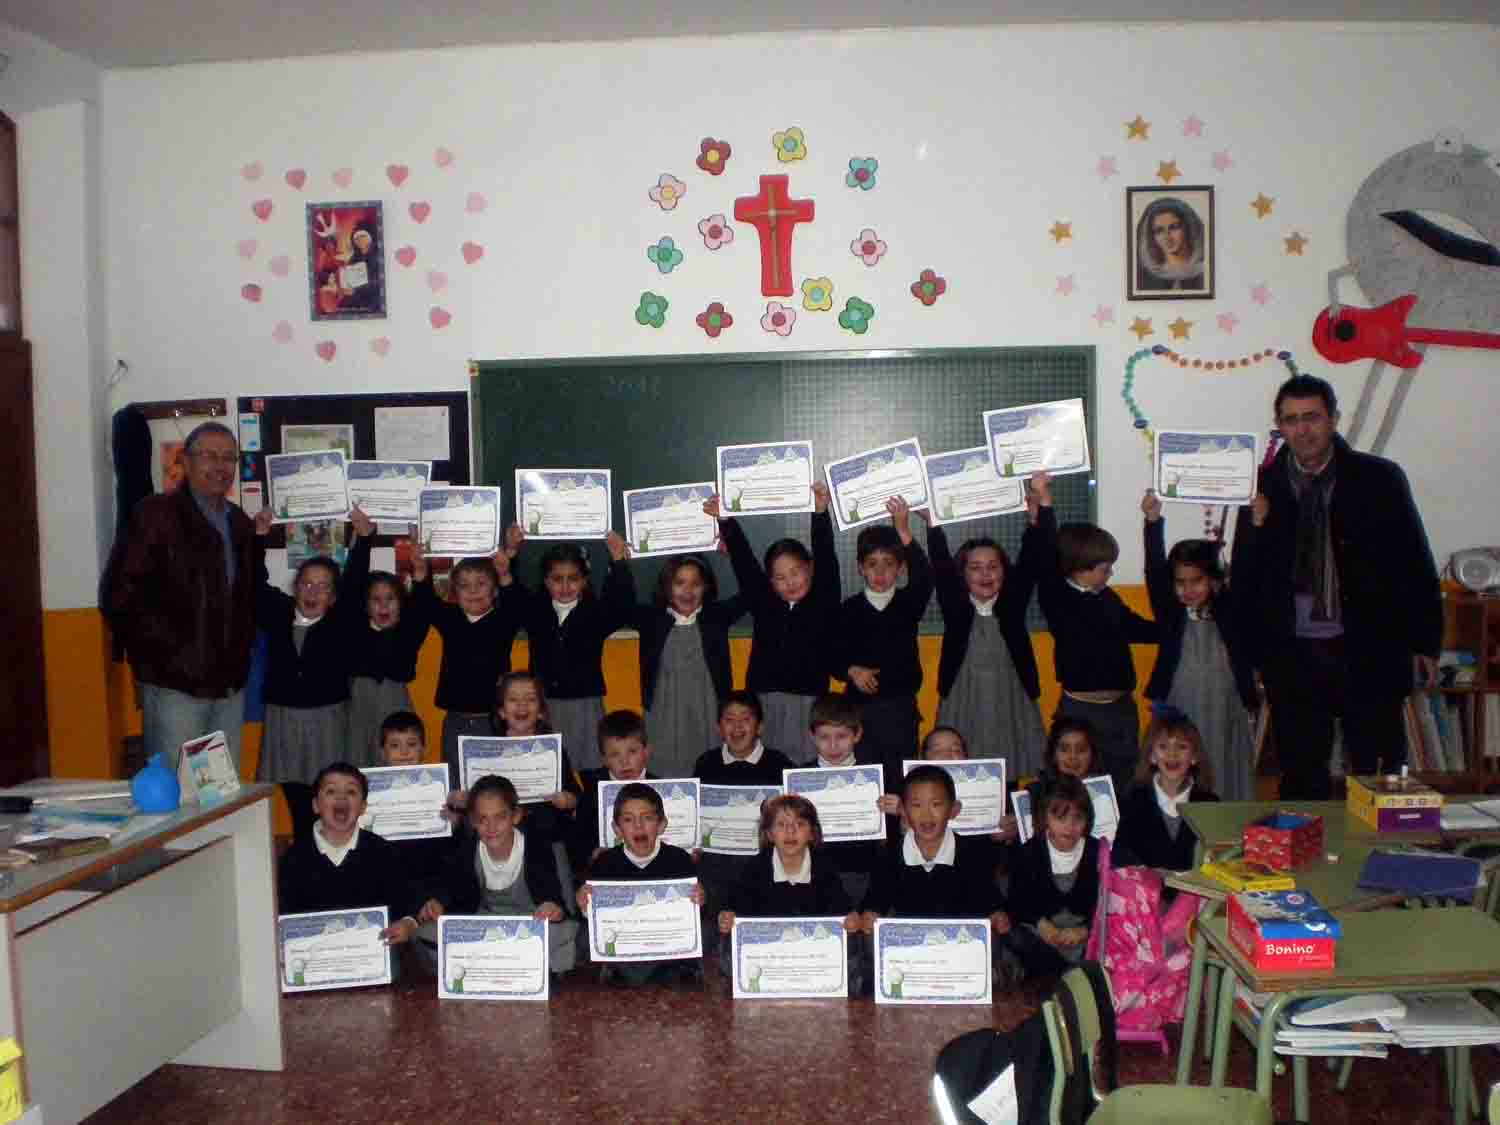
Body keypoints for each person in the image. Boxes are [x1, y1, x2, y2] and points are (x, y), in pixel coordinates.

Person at [1233, 374, 1442, 798]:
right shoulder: (1260, 485)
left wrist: (1426, 644)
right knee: (1301, 776)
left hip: (1370, 648)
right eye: (1291, 420)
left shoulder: (1379, 478)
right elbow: (1246, 576)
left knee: (1378, 773)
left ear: (1333, 420)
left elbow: (1414, 561)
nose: (1302, 429)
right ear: (1280, 425)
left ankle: (1385, 860)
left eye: (1312, 417)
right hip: (1292, 656)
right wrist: (1251, 656)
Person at [103, 421, 261, 768]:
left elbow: (249, 596)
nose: (220, 467)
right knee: (176, 793)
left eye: (229, 458)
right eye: (209, 456)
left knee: (219, 795)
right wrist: (170, 654)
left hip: (228, 686)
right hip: (175, 687)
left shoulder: (239, 524)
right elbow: (120, 597)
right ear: (185, 463)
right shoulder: (155, 515)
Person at [1031, 470, 1158, 794]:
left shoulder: (1107, 596)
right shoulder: (1059, 598)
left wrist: (1173, 629)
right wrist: (1045, 502)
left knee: (1123, 783)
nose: (1111, 572)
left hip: (1120, 711)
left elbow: (1135, 627)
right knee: (1074, 788)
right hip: (1080, 711)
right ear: (1080, 567)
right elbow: (1046, 555)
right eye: (1104, 568)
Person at [1142, 492, 1258, 800]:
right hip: (1179, 708)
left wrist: (1250, 517)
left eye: (1197, 581)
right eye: (1180, 582)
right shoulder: (1171, 615)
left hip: (1224, 712)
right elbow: (1154, 572)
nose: (1188, 589)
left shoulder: (1230, 613)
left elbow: (1247, 567)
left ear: (1215, 581)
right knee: (1178, 772)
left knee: (1221, 769)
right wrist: (1152, 522)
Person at [715, 481, 840, 760]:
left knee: (803, 767)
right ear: (770, 581)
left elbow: (827, 557)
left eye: (796, 572)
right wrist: (725, 519)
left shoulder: (823, 599)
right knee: (767, 767)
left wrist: (820, 513)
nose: (790, 582)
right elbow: (745, 563)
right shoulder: (764, 602)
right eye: (780, 578)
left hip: (809, 700)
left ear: (810, 569)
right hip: (765, 698)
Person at [252, 507, 371, 787]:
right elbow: (254, 583)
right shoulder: (278, 613)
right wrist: (259, 536)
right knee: (291, 789)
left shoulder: (340, 621)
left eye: (323, 586)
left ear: (333, 596)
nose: (313, 592)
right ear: (295, 587)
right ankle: (303, 832)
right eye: (306, 584)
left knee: (327, 788)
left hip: (327, 720)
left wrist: (364, 537)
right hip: (283, 717)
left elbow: (355, 583)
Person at [417, 775, 577, 976]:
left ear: (516, 816)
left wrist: (552, 908)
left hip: (527, 925)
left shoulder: (536, 846)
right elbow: (453, 888)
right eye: (482, 819)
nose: (491, 828)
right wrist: (438, 903)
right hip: (485, 924)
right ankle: (508, 962)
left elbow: (554, 899)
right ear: (472, 821)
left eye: (500, 817)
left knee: (562, 935)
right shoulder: (467, 848)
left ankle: (491, 962)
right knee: (427, 931)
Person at [927, 516, 1046, 774]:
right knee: (959, 773)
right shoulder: (956, 608)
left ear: (1005, 571)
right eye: (976, 567)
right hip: (963, 699)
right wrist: (932, 524)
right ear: (963, 573)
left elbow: (1030, 560)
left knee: (1009, 765)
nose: (985, 574)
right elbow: (941, 566)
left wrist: (1037, 520)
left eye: (993, 566)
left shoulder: (1011, 606)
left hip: (1010, 699)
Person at [829, 497, 934, 782]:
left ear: (901, 568)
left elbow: (924, 576)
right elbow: (831, 655)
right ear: (861, 567)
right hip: (858, 714)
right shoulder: (848, 609)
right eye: (872, 564)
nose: (880, 572)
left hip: (901, 710)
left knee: (900, 782)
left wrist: (903, 529)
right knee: (864, 781)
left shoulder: (908, 604)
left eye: (889, 564)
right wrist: (852, 670)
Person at [409, 530, 526, 787]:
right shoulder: (450, 618)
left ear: (495, 590)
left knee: (494, 784)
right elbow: (425, 603)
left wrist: (506, 573)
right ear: (454, 591)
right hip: (456, 719)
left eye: (481, 584)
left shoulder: (503, 620)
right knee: (456, 785)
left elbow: (517, 603)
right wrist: (420, 568)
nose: (473, 591)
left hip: (493, 719)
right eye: (464, 585)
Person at [691, 692, 798, 952]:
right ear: (719, 727)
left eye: (745, 719)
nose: (737, 727)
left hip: (762, 858)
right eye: (729, 720)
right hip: (717, 861)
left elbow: (796, 810)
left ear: (759, 726)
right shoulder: (706, 763)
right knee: (711, 933)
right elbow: (693, 813)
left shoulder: (779, 764)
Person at [626, 550, 749, 778]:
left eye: (696, 584)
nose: (688, 591)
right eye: (680, 583)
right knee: (667, 782)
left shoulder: (716, 617)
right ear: (666, 586)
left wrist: (732, 551)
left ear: (707, 587)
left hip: (707, 715)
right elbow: (618, 602)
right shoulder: (651, 619)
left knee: (710, 776)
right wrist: (619, 562)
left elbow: (753, 591)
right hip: (663, 720)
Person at [519, 537, 635, 771]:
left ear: (584, 580)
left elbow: (621, 604)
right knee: (546, 771)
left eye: (573, 579)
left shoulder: (595, 613)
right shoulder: (534, 610)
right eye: (556, 579)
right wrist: (510, 558)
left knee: (592, 770)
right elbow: (510, 594)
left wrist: (619, 562)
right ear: (545, 581)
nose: (564, 586)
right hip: (544, 705)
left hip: (585, 705)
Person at [275, 762, 421, 948]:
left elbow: (405, 903)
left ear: (363, 807)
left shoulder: (383, 852)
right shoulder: (293, 859)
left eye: (351, 792)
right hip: (315, 961)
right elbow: (286, 918)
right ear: (315, 805)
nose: (341, 799)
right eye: (331, 792)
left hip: (373, 958)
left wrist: (408, 923)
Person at [718, 794, 862, 983]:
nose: (790, 831)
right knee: (728, 953)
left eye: (800, 824)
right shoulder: (753, 868)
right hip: (769, 954)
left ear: (812, 833)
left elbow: (842, 910)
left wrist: (851, 921)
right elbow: (735, 909)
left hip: (813, 953)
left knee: (852, 950)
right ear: (769, 834)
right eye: (781, 825)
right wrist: (727, 919)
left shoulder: (825, 868)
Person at [577, 782, 706, 987]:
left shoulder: (679, 860)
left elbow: (694, 914)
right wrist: (585, 905)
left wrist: (699, 900)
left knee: (705, 932)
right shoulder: (604, 863)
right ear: (617, 829)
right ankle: (631, 971)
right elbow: (593, 919)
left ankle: (655, 972)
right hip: (625, 942)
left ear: (661, 825)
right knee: (583, 938)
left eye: (647, 818)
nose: (638, 826)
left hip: (663, 940)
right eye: (628, 820)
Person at [345, 533, 433, 769]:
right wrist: (363, 538)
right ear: (365, 606)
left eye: (390, 599)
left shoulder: (408, 632)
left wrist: (421, 571)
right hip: (358, 707)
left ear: (401, 604)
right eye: (376, 600)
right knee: (358, 762)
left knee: (397, 766)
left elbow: (423, 605)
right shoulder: (354, 630)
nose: (383, 606)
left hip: (395, 705)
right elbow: (352, 584)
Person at [1003, 774, 1101, 979]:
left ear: (1088, 819)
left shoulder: (1098, 851)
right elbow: (1016, 902)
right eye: (1060, 818)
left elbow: (1108, 903)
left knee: (1113, 936)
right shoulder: (1029, 851)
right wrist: (1042, 925)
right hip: (1044, 936)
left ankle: (1068, 973)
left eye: (1077, 818)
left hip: (1085, 937)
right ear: (1045, 817)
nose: (1069, 826)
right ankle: (1069, 974)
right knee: (1014, 937)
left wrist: (1085, 930)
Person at [804, 693, 890, 907]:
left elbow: (889, 841)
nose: (833, 746)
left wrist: (894, 812)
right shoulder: (799, 777)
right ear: (812, 736)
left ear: (857, 734)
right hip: (814, 875)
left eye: (841, 736)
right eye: (824, 737)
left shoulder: (876, 778)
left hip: (863, 872)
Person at [1114, 708, 1220, 874]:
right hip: (1144, 895)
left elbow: (1216, 862)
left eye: (1182, 747)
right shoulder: (1132, 800)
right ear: (1152, 756)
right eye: (1163, 746)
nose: (1172, 754)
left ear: (1194, 757)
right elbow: (1121, 857)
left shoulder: (1210, 804)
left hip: (1195, 894)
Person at [570, 709, 656, 878]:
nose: (624, 762)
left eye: (632, 752)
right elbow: (577, 839)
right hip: (607, 872)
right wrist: (591, 853)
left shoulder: (660, 789)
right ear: (604, 759)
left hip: (652, 871)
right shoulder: (592, 792)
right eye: (615, 754)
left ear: (646, 752)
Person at [1135, 197, 1205, 292]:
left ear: (1188, 227)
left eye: (1174, 227)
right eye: (1159, 231)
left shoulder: (1204, 272)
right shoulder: (1144, 277)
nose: (1167, 237)